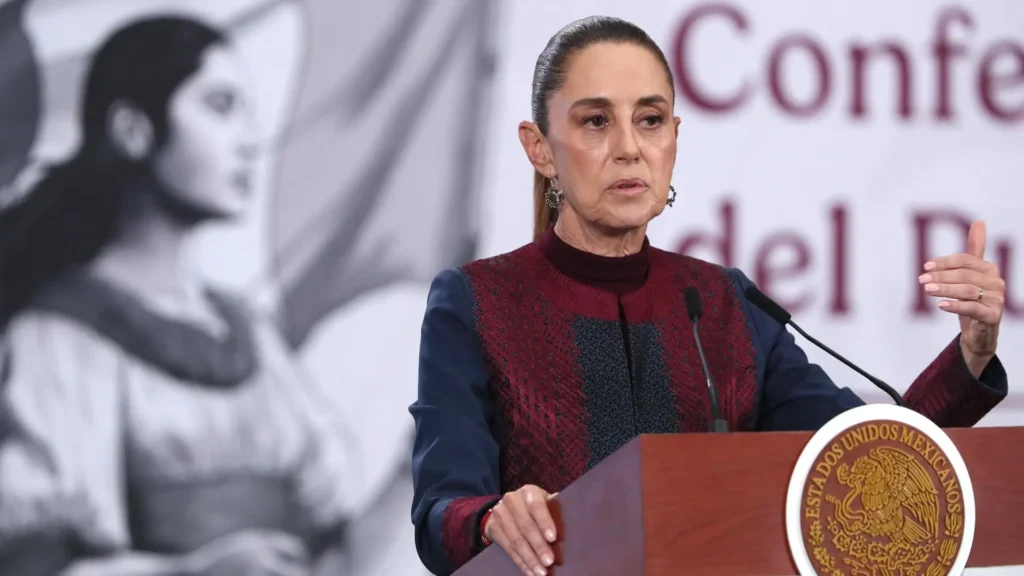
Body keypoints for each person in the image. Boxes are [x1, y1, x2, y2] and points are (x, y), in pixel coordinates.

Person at [408, 15, 1008, 576]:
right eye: (595, 121)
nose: (628, 147)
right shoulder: (477, 303)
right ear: (539, 148)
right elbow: (441, 515)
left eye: (650, 120)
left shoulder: (724, 305)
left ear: (673, 137)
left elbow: (872, 462)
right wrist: (492, 518)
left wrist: (972, 354)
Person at [0, 16, 360, 576]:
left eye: (247, 110)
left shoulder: (249, 335)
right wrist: (190, 571)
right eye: (220, 106)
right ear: (133, 130)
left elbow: (332, 525)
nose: (250, 140)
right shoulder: (58, 339)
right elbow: (34, 562)